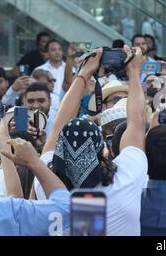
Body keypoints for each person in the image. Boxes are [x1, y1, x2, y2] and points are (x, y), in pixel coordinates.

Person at [33, 45, 148, 235]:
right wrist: (134, 72)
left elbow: (58, 125)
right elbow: (136, 121)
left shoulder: (45, 181)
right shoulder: (125, 177)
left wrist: (84, 73)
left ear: (59, 151)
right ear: (101, 149)